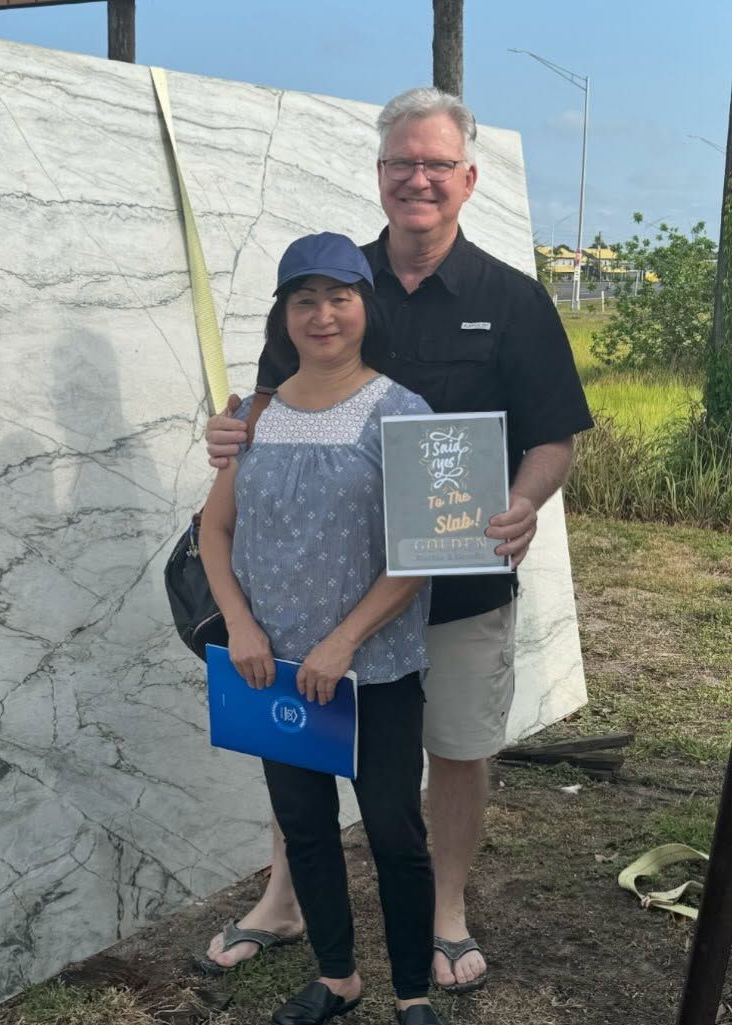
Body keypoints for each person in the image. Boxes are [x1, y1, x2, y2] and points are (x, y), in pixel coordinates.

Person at [199, 87, 593, 993]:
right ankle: (286, 896)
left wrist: (525, 501)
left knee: (453, 744)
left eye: (435, 165)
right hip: (314, 597)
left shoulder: (512, 298)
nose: (418, 179)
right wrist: (228, 434)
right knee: (301, 746)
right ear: (380, 176)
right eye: (400, 164)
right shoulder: (337, 283)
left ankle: (444, 909)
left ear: (467, 178)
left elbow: (552, 437)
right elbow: (261, 407)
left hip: (453, 586)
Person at [199, 230, 443, 1025]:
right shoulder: (253, 414)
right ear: (284, 315)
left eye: (338, 296)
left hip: (370, 668)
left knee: (393, 829)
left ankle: (411, 989)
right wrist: (240, 626)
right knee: (303, 823)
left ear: (363, 306)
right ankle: (337, 976)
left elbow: (418, 552)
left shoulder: (401, 412)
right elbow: (215, 530)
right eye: (304, 299)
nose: (323, 314)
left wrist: (344, 641)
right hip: (274, 666)